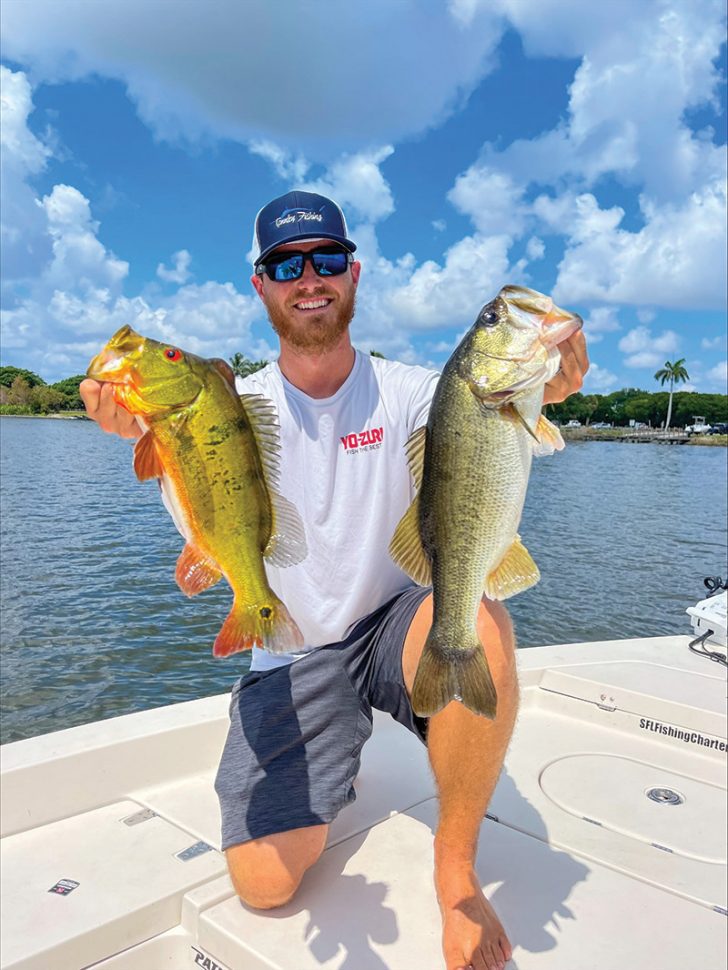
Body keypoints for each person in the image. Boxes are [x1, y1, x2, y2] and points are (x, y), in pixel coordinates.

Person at [80, 190, 588, 970]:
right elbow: (202, 518)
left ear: (353, 273)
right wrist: (133, 414)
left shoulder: (420, 391)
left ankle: (455, 875)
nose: (307, 277)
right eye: (286, 264)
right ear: (261, 285)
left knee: (477, 621)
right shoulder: (230, 405)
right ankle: (336, 747)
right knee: (264, 887)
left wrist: (545, 376)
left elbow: (494, 417)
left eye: (325, 259)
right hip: (289, 648)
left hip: (393, 626)